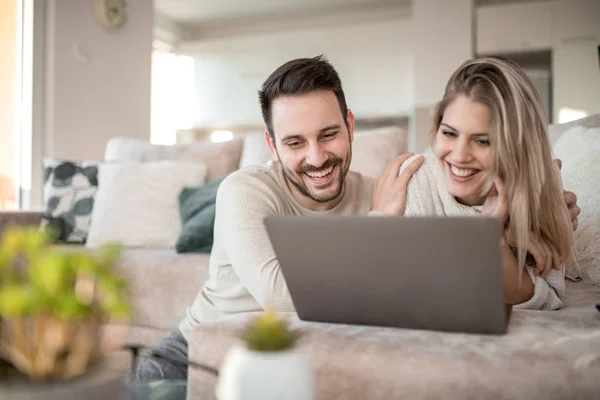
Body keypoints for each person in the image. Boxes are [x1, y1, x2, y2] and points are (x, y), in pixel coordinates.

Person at [132, 56, 581, 383]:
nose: (316, 157)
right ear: (271, 145)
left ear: (350, 125)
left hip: (295, 363)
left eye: (328, 134)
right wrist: (381, 222)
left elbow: (453, 238)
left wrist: (526, 223)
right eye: (294, 143)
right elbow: (282, 292)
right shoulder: (245, 190)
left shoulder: (386, 190)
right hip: (195, 356)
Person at [388, 57, 574, 309]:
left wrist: (494, 235)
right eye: (449, 133)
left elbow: (546, 298)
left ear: (517, 146)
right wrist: (487, 236)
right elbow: (409, 281)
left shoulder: (541, 184)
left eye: (482, 141)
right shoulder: (418, 179)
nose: (459, 156)